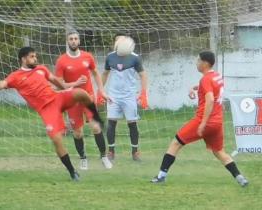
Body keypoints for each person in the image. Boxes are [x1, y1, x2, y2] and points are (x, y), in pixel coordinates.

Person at [0, 46, 104, 181]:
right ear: (23, 59)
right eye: (32, 56)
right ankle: (72, 172)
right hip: (47, 109)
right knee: (56, 139)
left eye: (35, 56)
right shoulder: (16, 76)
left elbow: (58, 82)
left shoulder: (41, 69)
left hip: (57, 98)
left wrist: (70, 86)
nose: (35, 58)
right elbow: (1, 84)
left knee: (81, 93)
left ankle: (95, 118)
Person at [151, 51, 249, 187]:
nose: (196, 63)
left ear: (205, 63)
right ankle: (240, 178)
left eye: (198, 60)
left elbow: (209, 99)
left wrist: (203, 123)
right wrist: (194, 88)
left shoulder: (205, 80)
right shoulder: (217, 76)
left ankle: (161, 176)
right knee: (219, 152)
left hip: (204, 121)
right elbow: (210, 89)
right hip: (217, 122)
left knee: (176, 143)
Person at [55, 31, 112, 170]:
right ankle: (83, 159)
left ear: (79, 41)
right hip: (73, 100)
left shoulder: (88, 57)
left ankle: (104, 157)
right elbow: (59, 84)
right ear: (67, 42)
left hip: (88, 98)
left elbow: (96, 73)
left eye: (75, 39)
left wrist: (101, 91)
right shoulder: (61, 61)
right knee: (78, 132)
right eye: (71, 39)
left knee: (96, 127)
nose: (73, 41)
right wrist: (75, 83)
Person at [102, 35, 149, 161]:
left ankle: (135, 152)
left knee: (132, 124)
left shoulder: (135, 58)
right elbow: (105, 73)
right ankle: (111, 151)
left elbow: (143, 75)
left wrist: (143, 93)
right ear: (115, 43)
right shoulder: (110, 57)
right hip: (113, 96)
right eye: (118, 39)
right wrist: (100, 91)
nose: (120, 41)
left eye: (123, 39)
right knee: (111, 122)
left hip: (129, 96)